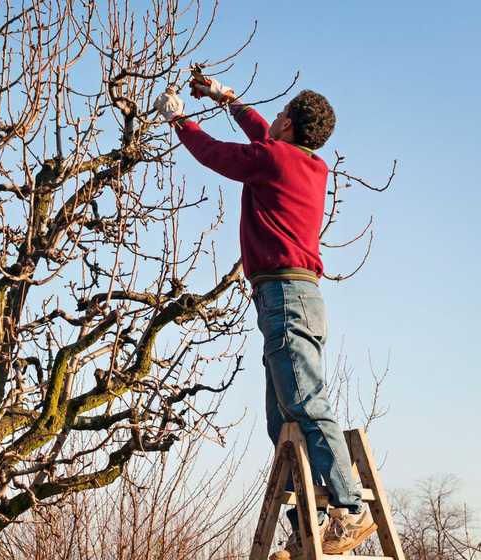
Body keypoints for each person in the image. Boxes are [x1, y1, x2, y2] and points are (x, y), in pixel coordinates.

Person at [153, 79, 377, 558]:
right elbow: (263, 134)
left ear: (289, 125)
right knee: (283, 422)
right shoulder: (310, 165)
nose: (270, 121)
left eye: (278, 117)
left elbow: (219, 155)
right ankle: (309, 527)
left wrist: (178, 120)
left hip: (284, 296)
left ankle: (351, 509)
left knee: (305, 405)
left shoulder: (273, 159)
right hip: (299, 297)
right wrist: (226, 98)